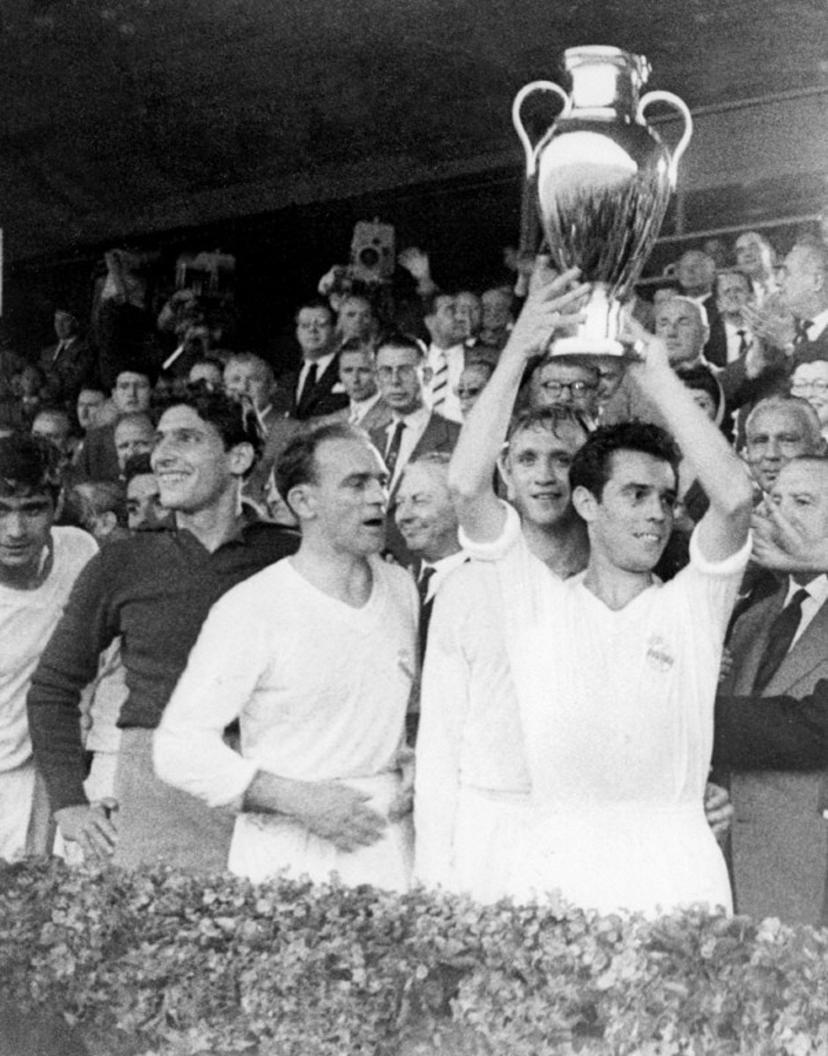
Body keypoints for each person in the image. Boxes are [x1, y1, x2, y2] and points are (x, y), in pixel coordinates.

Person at [442, 269, 752, 915]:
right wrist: (519, 348)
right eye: (635, 495)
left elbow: (734, 498)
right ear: (586, 503)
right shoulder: (535, 600)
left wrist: (657, 373)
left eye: (665, 498)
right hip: (558, 870)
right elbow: (467, 485)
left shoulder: (691, 604)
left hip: (677, 871)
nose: (656, 514)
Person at [27, 387, 299, 870]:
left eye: (187, 438)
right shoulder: (123, 563)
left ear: (238, 458)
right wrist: (70, 804)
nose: (163, 455)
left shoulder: (293, 556)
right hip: (158, 795)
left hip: (277, 785)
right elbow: (53, 687)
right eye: (160, 440)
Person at [154, 423, 417, 889]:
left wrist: (416, 762)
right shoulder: (252, 607)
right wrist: (300, 801)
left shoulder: (401, 588)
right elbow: (178, 748)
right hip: (285, 858)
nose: (379, 497)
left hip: (387, 848)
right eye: (356, 484)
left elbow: (402, 710)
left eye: (380, 481)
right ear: (303, 502)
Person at [718, 455, 828, 925]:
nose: (780, 514)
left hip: (811, 882)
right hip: (733, 875)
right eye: (775, 500)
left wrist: (681, 707)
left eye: (802, 502)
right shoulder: (751, 618)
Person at [0, 434, 98, 861]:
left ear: (57, 506)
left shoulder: (80, 551)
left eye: (32, 509)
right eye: (0, 511)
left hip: (50, 775)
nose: (15, 531)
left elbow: (70, 694)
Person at [369, 334, 460, 563]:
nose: (395, 381)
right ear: (377, 378)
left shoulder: (457, 437)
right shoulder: (368, 441)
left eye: (405, 370)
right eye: (386, 371)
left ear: (427, 375)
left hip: (431, 566)